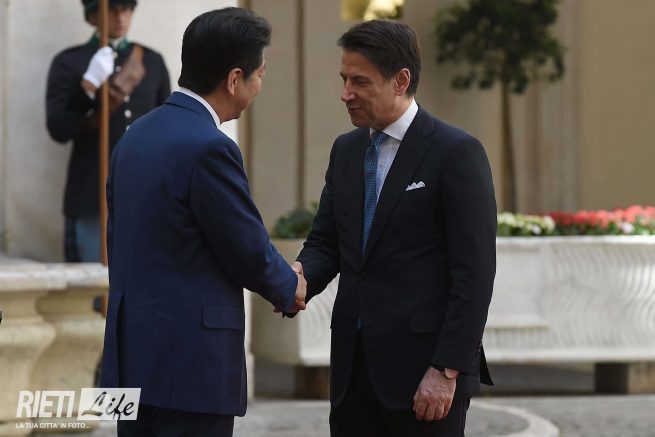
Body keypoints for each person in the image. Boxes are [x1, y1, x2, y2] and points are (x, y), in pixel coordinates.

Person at [99, 7, 306, 437]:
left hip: (132, 361)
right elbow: (246, 248)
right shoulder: (210, 147)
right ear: (234, 79)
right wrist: (290, 287)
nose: (260, 86)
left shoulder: (133, 137)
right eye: (260, 75)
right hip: (190, 368)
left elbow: (118, 242)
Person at [295, 20, 496, 436]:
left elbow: (474, 274)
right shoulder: (346, 150)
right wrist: (295, 278)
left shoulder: (456, 153)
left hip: (426, 377)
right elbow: (326, 242)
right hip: (353, 375)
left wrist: (446, 369)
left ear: (401, 81)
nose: (345, 93)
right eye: (344, 79)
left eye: (360, 82)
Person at [46, 0, 170, 262]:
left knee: (143, 276)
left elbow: (167, 128)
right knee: (93, 280)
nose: (120, 17)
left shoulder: (152, 61)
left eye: (126, 9)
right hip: (93, 193)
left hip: (145, 193)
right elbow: (59, 129)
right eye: (112, 9)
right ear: (93, 16)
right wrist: (88, 85)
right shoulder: (70, 62)